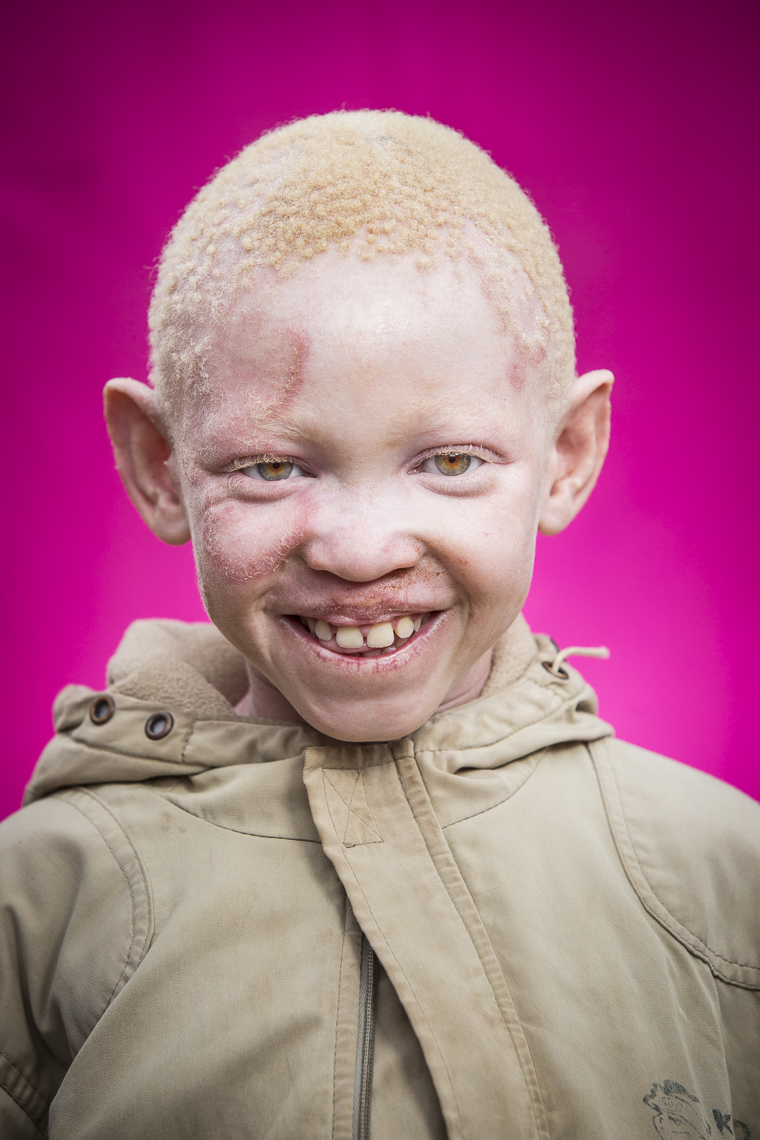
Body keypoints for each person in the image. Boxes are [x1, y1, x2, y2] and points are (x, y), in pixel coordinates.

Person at [0, 110, 757, 1140]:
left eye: (449, 462)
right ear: (157, 465)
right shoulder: (32, 905)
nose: (358, 552)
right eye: (272, 467)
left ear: (568, 452)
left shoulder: (728, 877)